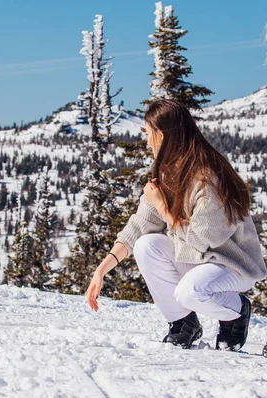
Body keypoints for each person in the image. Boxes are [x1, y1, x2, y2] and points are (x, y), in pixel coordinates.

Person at [86, 99, 267, 350]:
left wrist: (163, 208)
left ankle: (236, 312)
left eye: (149, 134)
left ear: (160, 135)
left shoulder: (208, 178)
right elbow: (139, 225)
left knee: (189, 292)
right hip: (199, 259)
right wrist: (102, 269)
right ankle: (183, 323)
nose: (148, 142)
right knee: (146, 245)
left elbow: (202, 238)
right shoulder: (167, 174)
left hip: (231, 264)